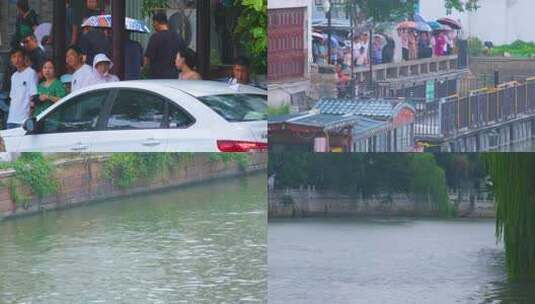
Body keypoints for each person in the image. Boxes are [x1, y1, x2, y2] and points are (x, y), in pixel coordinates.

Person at [144, 12, 186, 79]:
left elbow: (147, 59)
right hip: (173, 77)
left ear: (156, 22)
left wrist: (145, 68)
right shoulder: (178, 37)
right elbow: (183, 56)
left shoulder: (155, 38)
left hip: (156, 77)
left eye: (153, 23)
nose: (153, 25)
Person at [7, 48, 38, 129]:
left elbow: (33, 97)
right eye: (14, 57)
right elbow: (12, 98)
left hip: (23, 120)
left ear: (24, 58)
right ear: (11, 60)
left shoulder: (31, 73)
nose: (17, 60)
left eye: (19, 56)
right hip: (11, 119)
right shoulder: (13, 76)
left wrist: (28, 118)